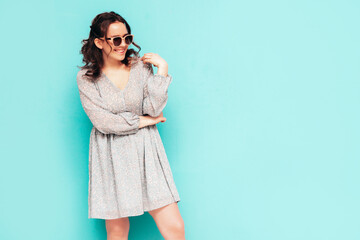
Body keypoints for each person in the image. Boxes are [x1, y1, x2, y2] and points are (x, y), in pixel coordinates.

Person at [76, 11, 185, 240]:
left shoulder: (140, 68)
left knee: (174, 226)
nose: (123, 44)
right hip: (110, 154)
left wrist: (162, 71)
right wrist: (143, 121)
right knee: (117, 231)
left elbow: (154, 109)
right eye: (116, 39)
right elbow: (103, 122)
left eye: (127, 38)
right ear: (98, 42)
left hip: (146, 150)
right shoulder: (86, 78)